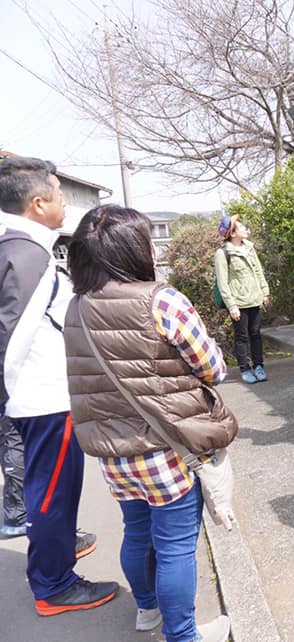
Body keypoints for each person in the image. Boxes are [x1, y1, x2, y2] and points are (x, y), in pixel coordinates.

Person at [63, 204, 235, 642]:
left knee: (136, 532)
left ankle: (147, 612)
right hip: (166, 448)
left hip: (113, 454)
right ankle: (183, 635)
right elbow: (212, 369)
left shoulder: (75, 309)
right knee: (177, 547)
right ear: (135, 251)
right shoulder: (161, 299)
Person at [0, 156, 117, 615]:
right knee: (51, 491)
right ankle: (54, 584)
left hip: (38, 395)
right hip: (41, 396)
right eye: (60, 195)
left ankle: (59, 546)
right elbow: (13, 337)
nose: (66, 204)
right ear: (37, 203)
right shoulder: (26, 255)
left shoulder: (21, 247)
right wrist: (11, 400)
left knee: (53, 487)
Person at [214, 214, 270, 384]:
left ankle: (259, 366)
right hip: (238, 301)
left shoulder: (250, 248)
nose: (245, 228)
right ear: (232, 233)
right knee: (242, 336)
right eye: (241, 227)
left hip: (254, 298)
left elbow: (258, 271)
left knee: (256, 334)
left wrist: (264, 292)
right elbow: (223, 283)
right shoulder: (222, 253)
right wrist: (232, 306)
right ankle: (245, 369)